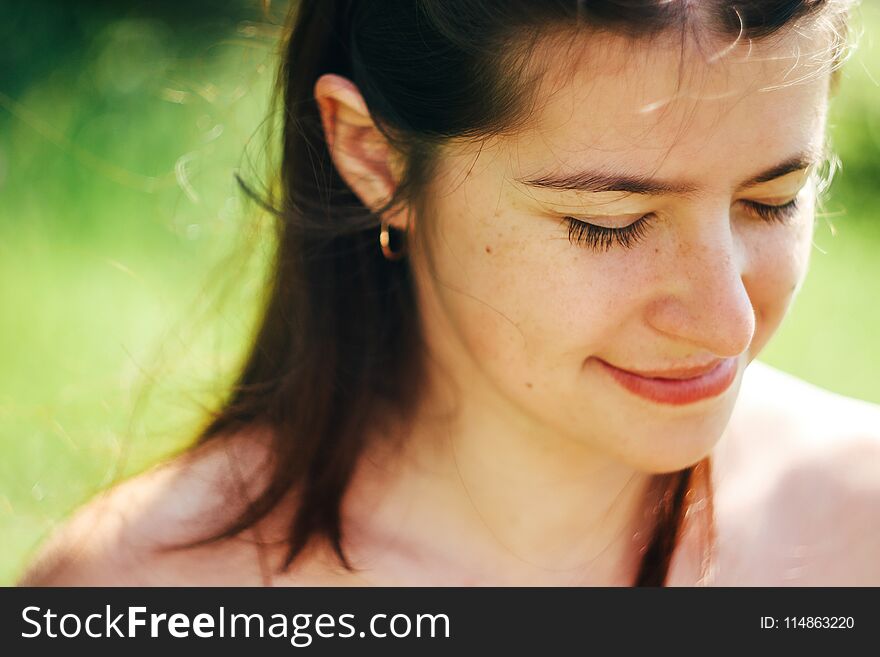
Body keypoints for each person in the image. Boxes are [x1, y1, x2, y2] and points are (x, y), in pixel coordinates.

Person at [18, 0, 880, 587]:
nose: (726, 319)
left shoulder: (861, 523)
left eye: (773, 200)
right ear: (372, 156)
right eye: (609, 223)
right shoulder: (145, 590)